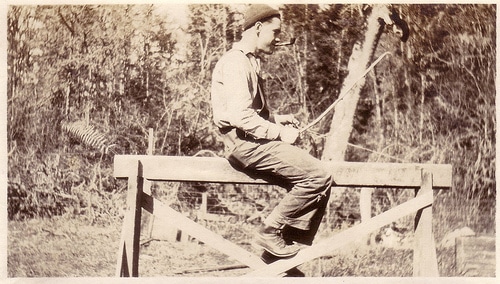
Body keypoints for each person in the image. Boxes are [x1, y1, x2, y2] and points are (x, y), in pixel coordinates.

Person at [210, 4, 333, 259]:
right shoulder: (236, 63)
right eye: (275, 32)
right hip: (245, 145)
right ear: (257, 28)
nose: (278, 39)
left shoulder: (249, 61)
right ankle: (269, 233)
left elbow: (246, 113)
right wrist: (280, 133)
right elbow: (240, 117)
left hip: (249, 140)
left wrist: (278, 119)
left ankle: (282, 253)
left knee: (318, 183)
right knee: (318, 176)